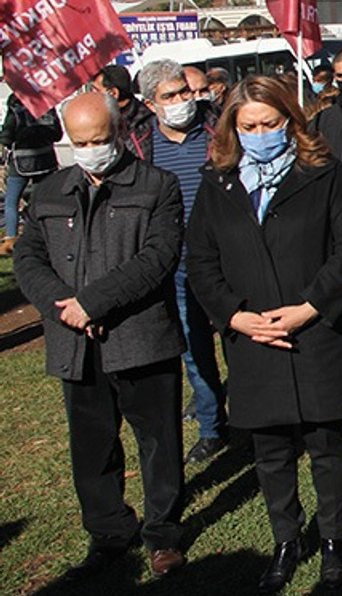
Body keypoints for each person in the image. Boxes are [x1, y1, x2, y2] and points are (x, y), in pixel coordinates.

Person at [185, 76, 342, 592]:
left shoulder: (327, 176)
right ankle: (287, 539)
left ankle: (335, 539)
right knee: (270, 450)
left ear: (292, 120)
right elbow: (200, 261)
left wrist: (310, 307)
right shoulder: (217, 183)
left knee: (326, 444)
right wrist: (235, 316)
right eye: (249, 126)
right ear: (233, 128)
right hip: (252, 337)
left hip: (314, 332)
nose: (261, 134)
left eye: (271, 123)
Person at [14, 92, 187, 581]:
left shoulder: (157, 185)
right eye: (82, 141)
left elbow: (157, 257)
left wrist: (95, 302)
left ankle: (163, 534)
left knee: (158, 443)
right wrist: (64, 307)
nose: (93, 149)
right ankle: (109, 532)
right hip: (76, 344)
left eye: (101, 139)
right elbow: (29, 258)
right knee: (92, 445)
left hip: (140, 337)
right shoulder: (48, 192)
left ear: (118, 133)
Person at [137, 59, 228, 465]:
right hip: (174, 265)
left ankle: (249, 415)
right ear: (151, 103)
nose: (182, 101)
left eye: (185, 92)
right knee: (194, 350)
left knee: (237, 341)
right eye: (170, 96)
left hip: (224, 257)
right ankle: (212, 426)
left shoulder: (217, 130)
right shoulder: (140, 147)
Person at [0, 94, 61, 254]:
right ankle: (48, 235)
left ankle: (11, 238)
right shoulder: (47, 103)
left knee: (11, 201)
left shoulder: (16, 105)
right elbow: (57, 134)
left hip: (21, 161)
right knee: (46, 199)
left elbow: (7, 137)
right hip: (46, 160)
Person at [92, 65, 155, 161]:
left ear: (113, 93)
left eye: (96, 90)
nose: (92, 95)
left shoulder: (146, 122)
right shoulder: (104, 120)